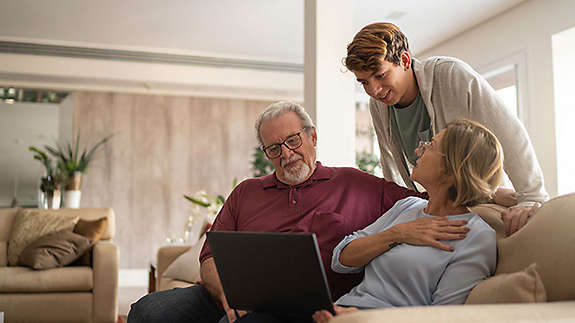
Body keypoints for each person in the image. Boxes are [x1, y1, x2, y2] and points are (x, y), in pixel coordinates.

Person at [127, 101, 470, 323]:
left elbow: (436, 195)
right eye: (274, 148)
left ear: (313, 137)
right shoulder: (246, 192)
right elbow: (210, 259)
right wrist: (226, 294)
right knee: (146, 312)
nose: (286, 154)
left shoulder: (358, 184)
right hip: (227, 297)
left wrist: (504, 202)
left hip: (303, 309)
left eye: (293, 141)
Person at [344, 22, 547, 236]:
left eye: (380, 75)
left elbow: (510, 133)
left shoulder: (451, 75)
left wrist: (531, 198)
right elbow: (390, 166)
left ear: (404, 60)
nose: (374, 90)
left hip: (478, 204)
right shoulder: (379, 106)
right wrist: (400, 216)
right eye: (364, 82)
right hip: (436, 208)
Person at [313, 119, 502, 323]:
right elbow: (341, 259)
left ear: (451, 171)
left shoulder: (475, 236)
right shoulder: (408, 206)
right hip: (339, 312)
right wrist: (398, 233)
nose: (418, 150)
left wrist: (364, 318)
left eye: (431, 146)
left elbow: (444, 317)